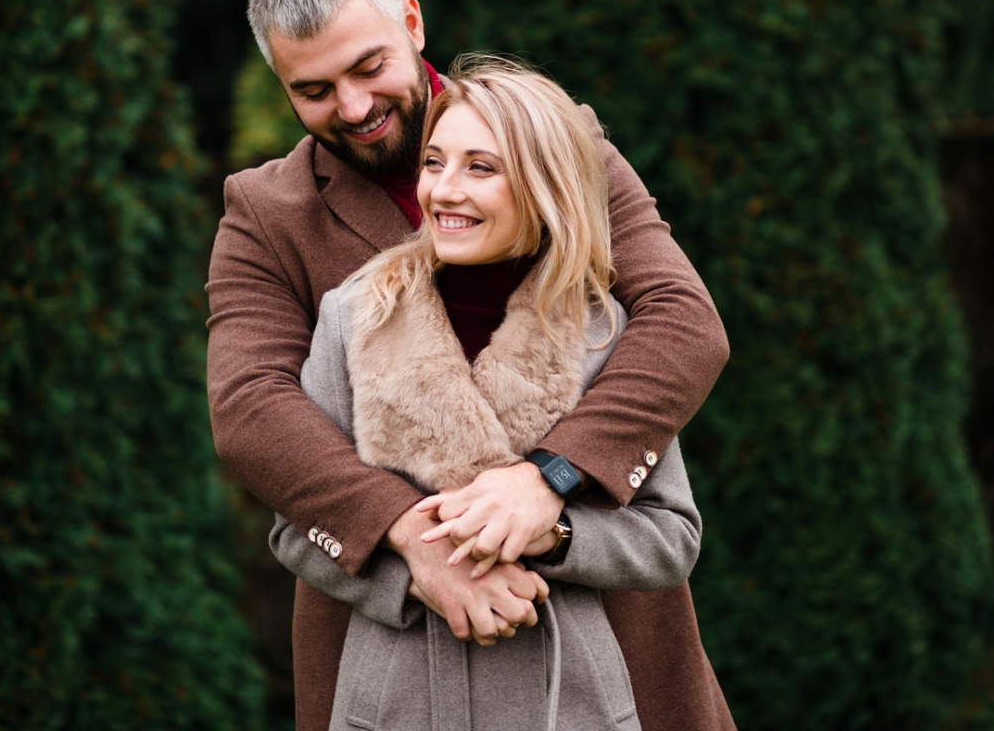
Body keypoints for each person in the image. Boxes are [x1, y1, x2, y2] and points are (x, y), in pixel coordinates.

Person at [206, 0, 735, 729]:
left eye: (365, 68)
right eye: (312, 89)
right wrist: (410, 541)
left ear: (411, 22)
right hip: (390, 643)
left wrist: (548, 480)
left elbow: (684, 322)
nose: (351, 107)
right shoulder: (265, 211)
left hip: (600, 648)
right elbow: (250, 408)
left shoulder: (562, 143)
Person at [271, 57, 707, 731]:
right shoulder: (354, 316)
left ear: (542, 186)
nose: (443, 190)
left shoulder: (604, 332)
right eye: (435, 163)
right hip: (395, 706)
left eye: (480, 168)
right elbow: (297, 529)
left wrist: (555, 536)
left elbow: (669, 539)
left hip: (570, 705)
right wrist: (415, 574)